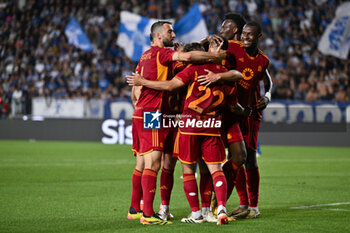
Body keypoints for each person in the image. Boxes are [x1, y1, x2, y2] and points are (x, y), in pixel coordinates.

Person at [127, 40, 243, 225]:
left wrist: (139, 100)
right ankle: (157, 209)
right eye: (169, 32)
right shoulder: (169, 59)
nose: (173, 36)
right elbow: (137, 91)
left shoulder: (177, 64)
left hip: (175, 118)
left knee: (159, 162)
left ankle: (188, 210)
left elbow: (136, 94)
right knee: (160, 162)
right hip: (161, 115)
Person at [202, 20, 271, 219]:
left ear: (258, 37)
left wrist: (266, 97)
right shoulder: (231, 46)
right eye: (243, 34)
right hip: (222, 111)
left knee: (245, 158)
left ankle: (249, 206)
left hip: (243, 114)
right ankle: (213, 204)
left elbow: (268, 81)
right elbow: (200, 49)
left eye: (250, 35)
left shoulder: (263, 60)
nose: (245, 38)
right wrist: (207, 39)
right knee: (220, 159)